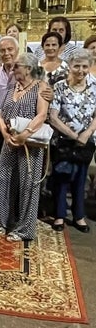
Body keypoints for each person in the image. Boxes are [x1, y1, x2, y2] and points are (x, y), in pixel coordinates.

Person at [0, 53, 49, 242]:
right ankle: (2, 221)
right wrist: (5, 133)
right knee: (3, 178)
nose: (13, 68)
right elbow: (1, 114)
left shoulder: (41, 87)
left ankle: (24, 229)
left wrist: (25, 134)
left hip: (30, 142)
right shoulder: (12, 86)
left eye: (17, 66)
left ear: (28, 68)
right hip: (9, 139)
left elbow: (42, 115)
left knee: (28, 183)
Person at [50, 49, 96, 233]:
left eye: (84, 66)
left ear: (89, 67)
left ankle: (79, 216)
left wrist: (86, 134)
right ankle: (60, 215)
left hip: (85, 141)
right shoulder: (59, 86)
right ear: (69, 66)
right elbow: (53, 116)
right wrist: (71, 134)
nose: (80, 70)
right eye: (76, 66)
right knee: (61, 178)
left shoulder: (95, 87)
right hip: (63, 139)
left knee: (80, 178)